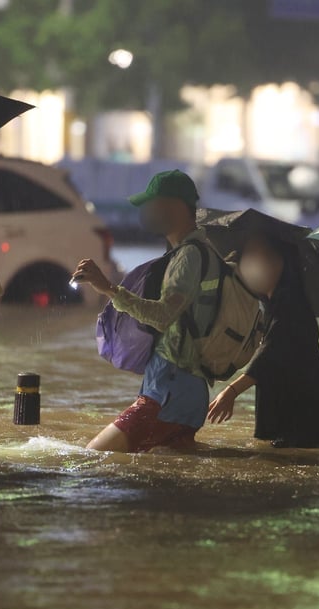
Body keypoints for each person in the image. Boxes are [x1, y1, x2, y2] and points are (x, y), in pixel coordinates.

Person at [73, 170, 215, 453]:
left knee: (93, 457)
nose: (146, 212)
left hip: (168, 393)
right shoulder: (194, 251)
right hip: (182, 391)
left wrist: (109, 289)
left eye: (152, 204)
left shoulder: (188, 256)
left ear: (174, 207)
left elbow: (164, 316)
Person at [206, 234, 319, 448]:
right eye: (250, 257)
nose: (256, 264)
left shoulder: (291, 304)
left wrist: (231, 392)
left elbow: (269, 355)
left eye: (266, 256)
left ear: (283, 262)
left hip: (302, 419)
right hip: (296, 417)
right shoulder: (273, 303)